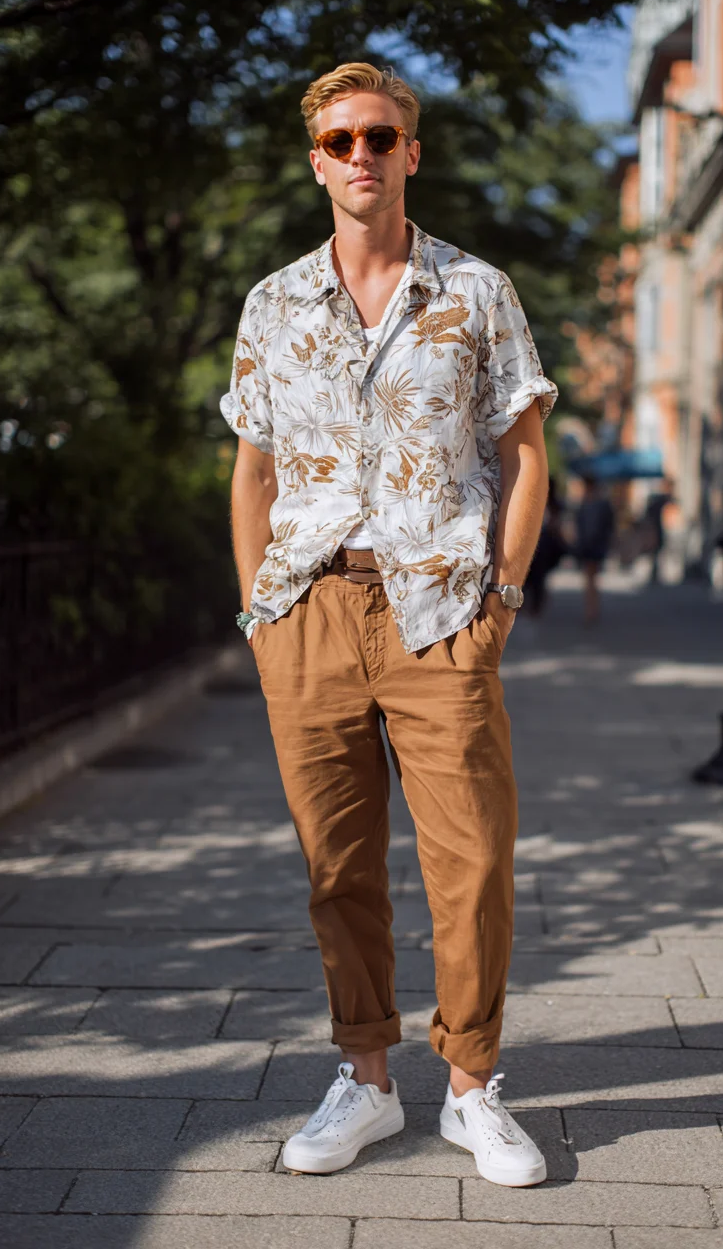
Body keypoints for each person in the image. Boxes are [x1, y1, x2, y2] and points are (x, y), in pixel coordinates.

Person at [222, 63, 557, 1186]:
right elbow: (253, 468)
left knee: (474, 863)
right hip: (308, 611)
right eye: (339, 140)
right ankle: (365, 1081)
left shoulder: (477, 292)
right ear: (315, 162)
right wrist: (259, 614)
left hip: (441, 612)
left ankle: (471, 1090)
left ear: (412, 152)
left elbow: (523, 454)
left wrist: (500, 599)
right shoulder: (272, 304)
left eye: (378, 136)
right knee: (338, 868)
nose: (360, 155)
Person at [524, 477, 567, 618]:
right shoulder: (533, 499)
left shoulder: (553, 505)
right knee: (530, 576)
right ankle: (530, 604)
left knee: (537, 577)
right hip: (536, 543)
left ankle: (535, 605)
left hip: (544, 545)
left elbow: (557, 526)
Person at [574, 476, 615, 625]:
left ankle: (591, 609)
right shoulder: (590, 504)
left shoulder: (591, 504)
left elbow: (607, 525)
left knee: (591, 579)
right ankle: (592, 609)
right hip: (590, 545)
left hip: (593, 545)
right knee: (591, 579)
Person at [644, 475, 673, 584]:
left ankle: (655, 573)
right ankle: (654, 574)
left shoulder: (658, 500)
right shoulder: (659, 500)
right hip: (655, 530)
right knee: (655, 553)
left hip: (657, 530)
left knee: (656, 554)